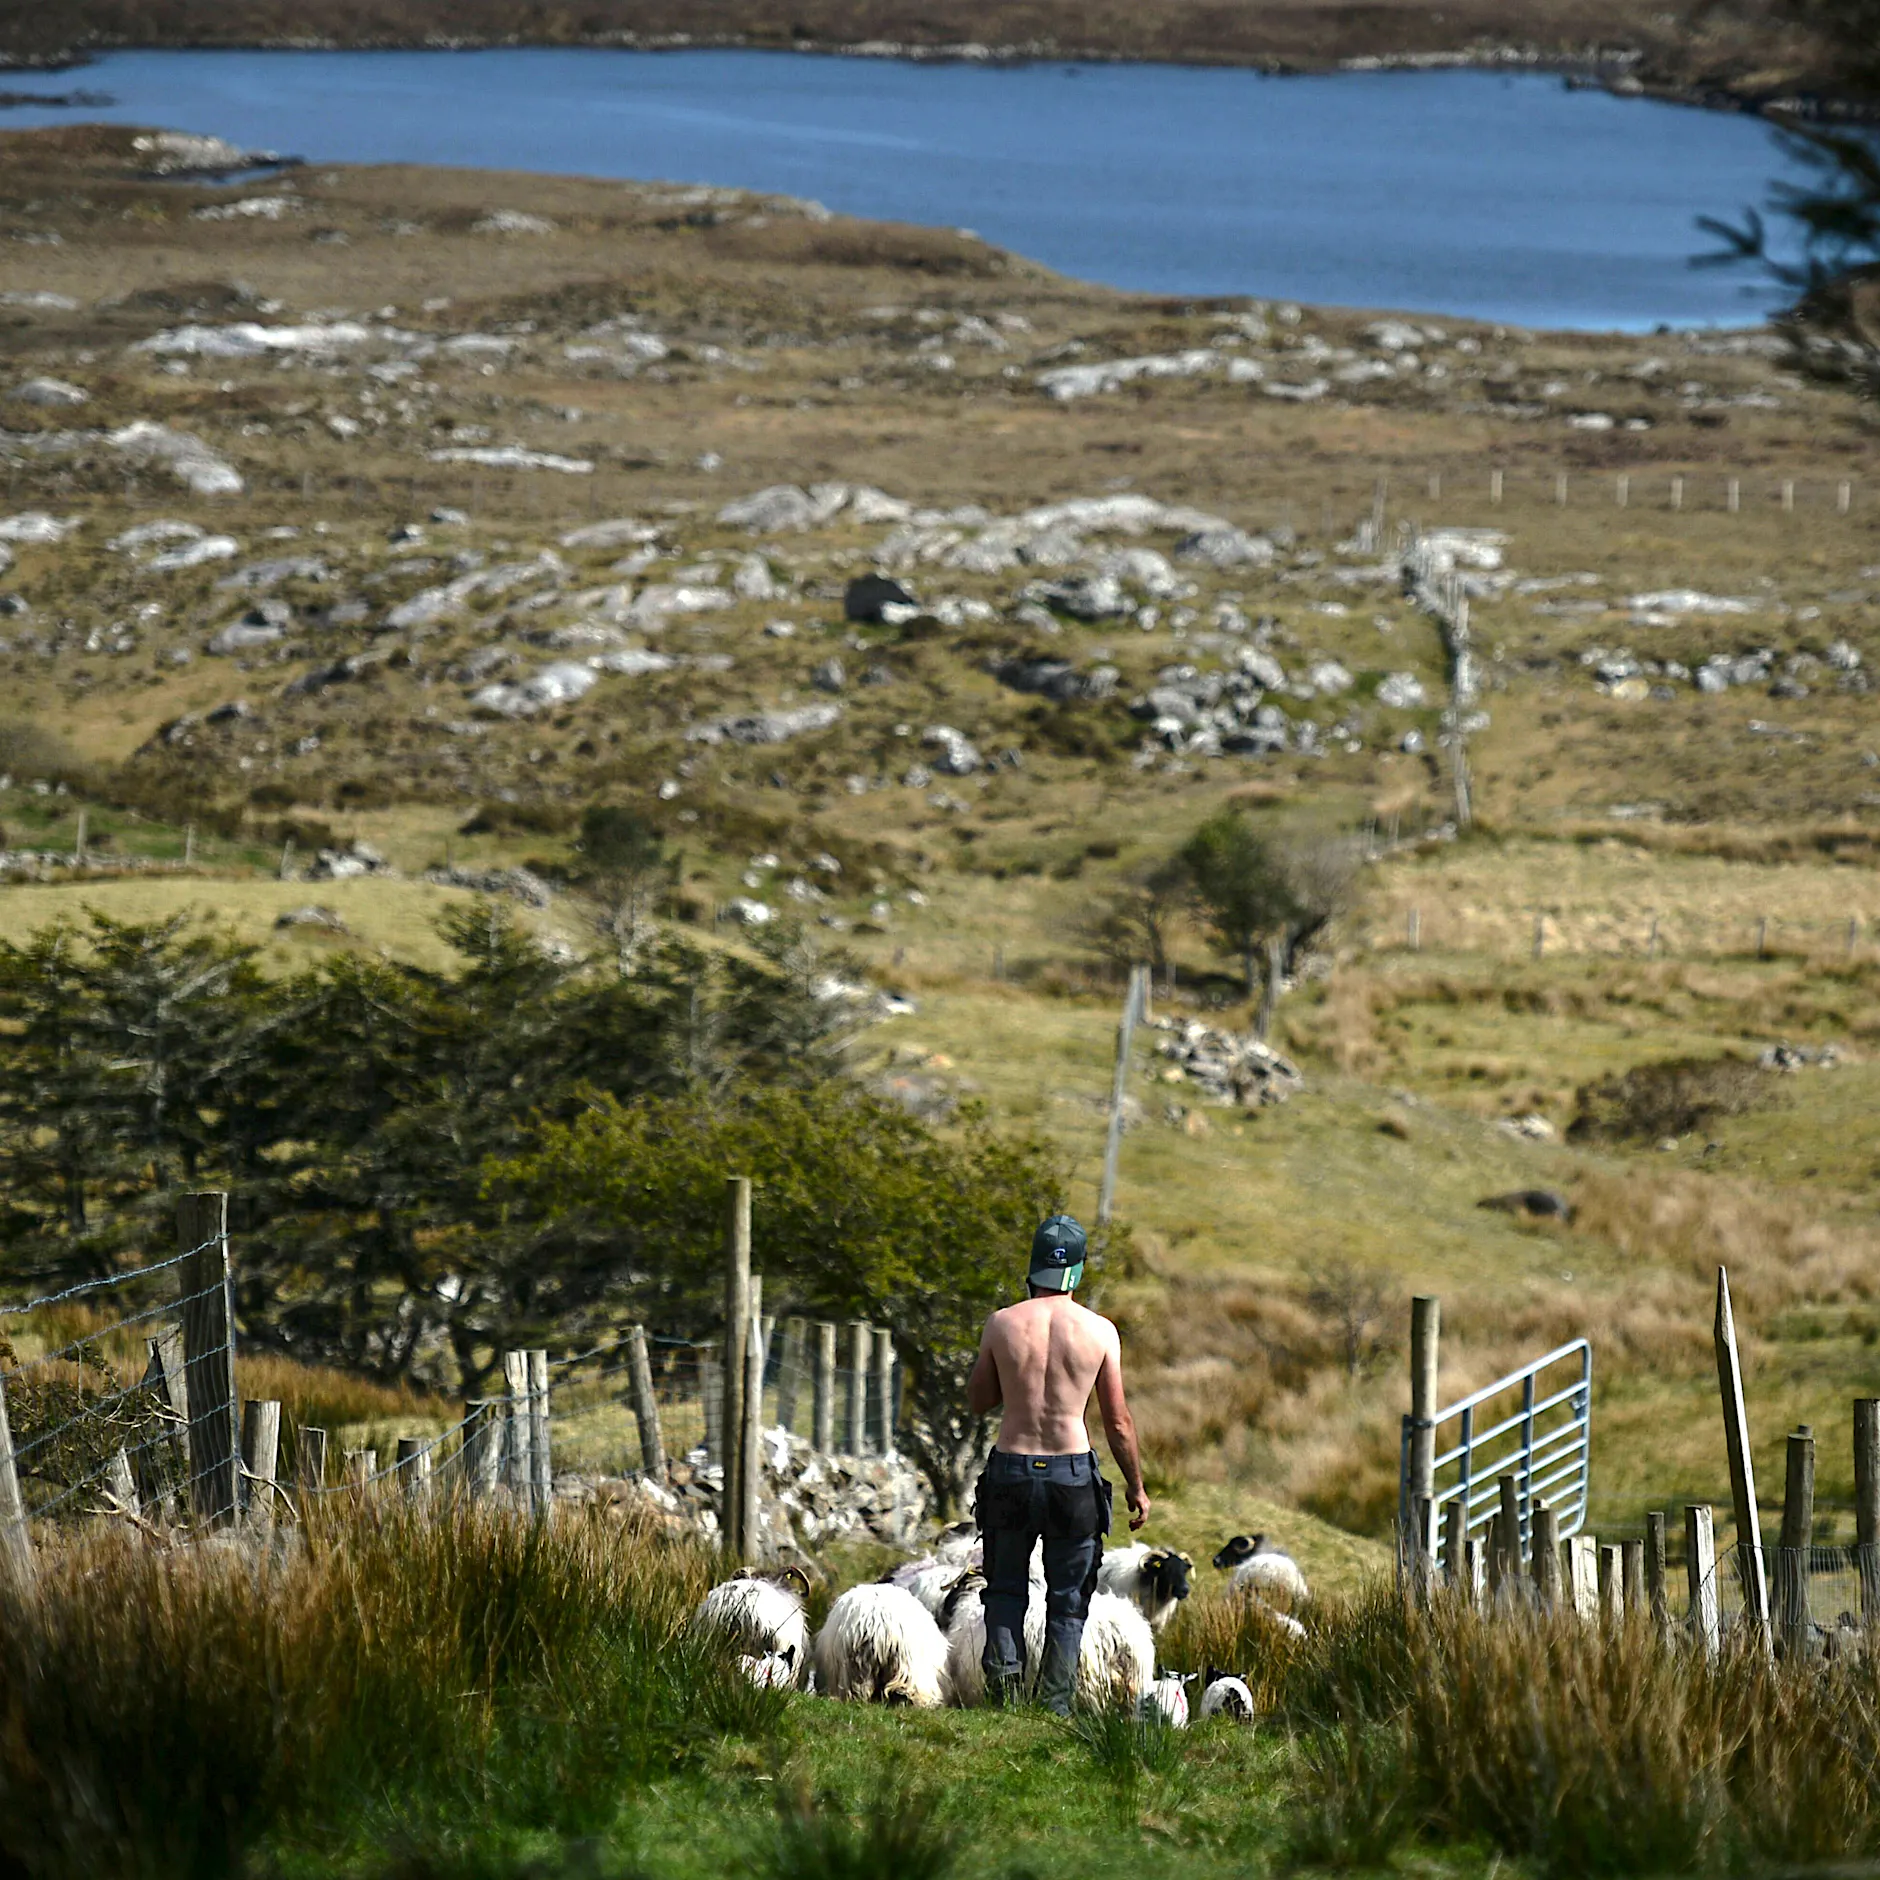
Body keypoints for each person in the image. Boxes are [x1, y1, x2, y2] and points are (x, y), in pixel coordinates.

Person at [965, 1212, 1149, 1713]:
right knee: (1068, 1601)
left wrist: (1011, 1369)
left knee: (1004, 1589)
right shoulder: (1101, 1331)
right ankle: (1055, 1706)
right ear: (1078, 1271)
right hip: (1071, 1475)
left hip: (1012, 1469)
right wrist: (1136, 1487)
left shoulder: (1002, 1323)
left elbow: (979, 1399)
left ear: (1033, 1266)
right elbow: (1119, 1423)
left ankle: (1003, 1699)